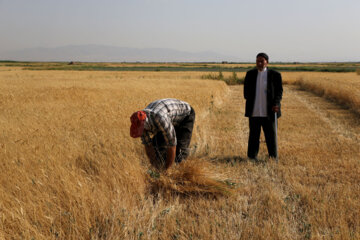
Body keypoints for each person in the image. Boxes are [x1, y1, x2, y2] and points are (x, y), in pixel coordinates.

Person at [130, 98, 195, 170]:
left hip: (185, 116)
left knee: (180, 152)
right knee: (157, 145)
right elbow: (148, 145)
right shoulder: (141, 125)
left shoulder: (159, 118)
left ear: (146, 123)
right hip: (170, 118)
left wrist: (167, 170)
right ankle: (163, 165)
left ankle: (180, 173)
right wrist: (154, 165)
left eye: (143, 129)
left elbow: (172, 145)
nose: (143, 131)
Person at [243, 53, 283, 160]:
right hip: (254, 111)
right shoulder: (250, 74)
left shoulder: (275, 75)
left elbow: (279, 92)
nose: (259, 63)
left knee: (271, 136)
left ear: (267, 62)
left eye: (262, 61)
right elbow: (246, 92)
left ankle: (273, 157)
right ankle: (251, 157)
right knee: (253, 136)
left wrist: (276, 104)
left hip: (269, 112)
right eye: (257, 61)